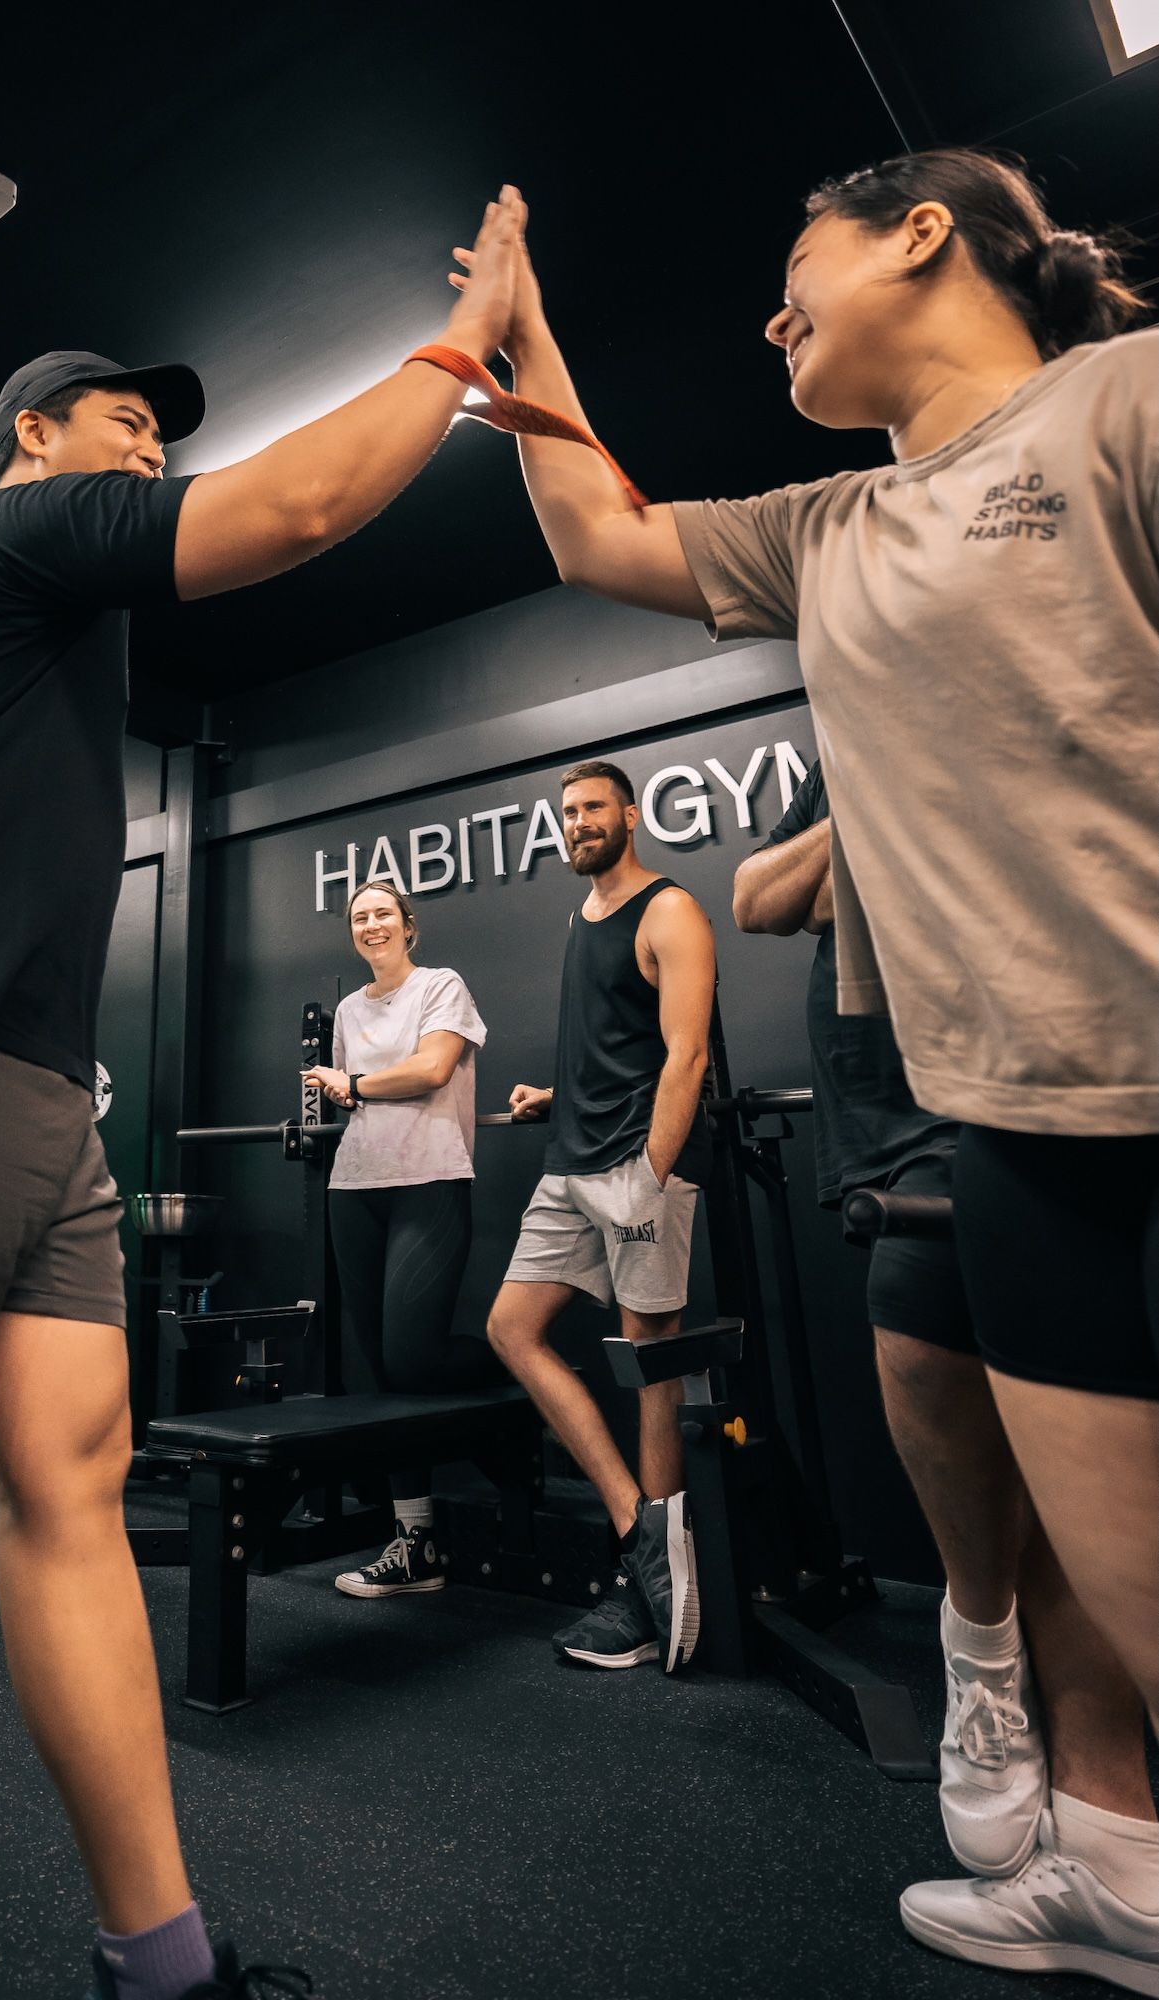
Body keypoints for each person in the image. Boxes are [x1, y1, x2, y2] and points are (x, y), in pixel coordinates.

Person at [0, 184, 527, 2000]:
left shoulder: (67, 618)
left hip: (27, 1100)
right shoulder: (2, 541)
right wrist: (466, 344)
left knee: (70, 1482)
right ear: (34, 444)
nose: (150, 438)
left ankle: (160, 1966)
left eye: (160, 424)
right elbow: (299, 504)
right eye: (122, 415)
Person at [457, 149, 1158, 1990]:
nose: (768, 315)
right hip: (1013, 1121)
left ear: (922, 233)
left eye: (796, 271)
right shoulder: (827, 526)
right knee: (1098, 1582)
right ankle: (1111, 1871)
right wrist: (523, 344)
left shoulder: (1123, 401)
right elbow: (596, 536)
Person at [735, 758, 1141, 1886]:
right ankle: (984, 1641)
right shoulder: (846, 751)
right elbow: (766, 896)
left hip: (1038, 1060)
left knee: (1065, 1444)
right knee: (928, 1345)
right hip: (888, 1094)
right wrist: (886, 786)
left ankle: (1106, 1812)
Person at [487, 760, 715, 1674]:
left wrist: (650, 1175)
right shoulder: (577, 920)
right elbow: (610, 1046)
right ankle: (639, 1529)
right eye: (566, 814)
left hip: (633, 1170)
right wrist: (559, 1095)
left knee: (647, 1362)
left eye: (590, 808)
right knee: (513, 1328)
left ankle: (657, 1579)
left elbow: (684, 1053)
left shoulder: (669, 910)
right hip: (570, 1162)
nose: (577, 824)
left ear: (629, 814)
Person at [300, 878, 493, 1598]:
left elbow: (432, 1068)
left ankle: (517, 1368)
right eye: (359, 918)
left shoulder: (441, 985)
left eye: (382, 913)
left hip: (430, 1178)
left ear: (408, 925)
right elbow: (361, 1096)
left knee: (414, 1355)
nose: (371, 925)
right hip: (355, 1185)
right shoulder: (350, 1007)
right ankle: (415, 1540)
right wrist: (355, 1087)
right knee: (383, 1366)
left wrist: (352, 1081)